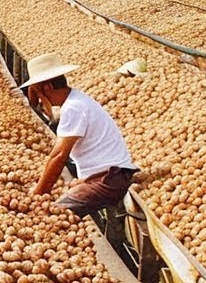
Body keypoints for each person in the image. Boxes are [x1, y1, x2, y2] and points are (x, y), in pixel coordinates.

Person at [21, 52, 139, 217]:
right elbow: (54, 125)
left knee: (54, 213)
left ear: (47, 88)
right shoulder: (75, 100)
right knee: (61, 199)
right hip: (106, 175)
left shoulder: (73, 107)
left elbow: (59, 156)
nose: (39, 100)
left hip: (110, 180)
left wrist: (38, 193)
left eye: (38, 92)